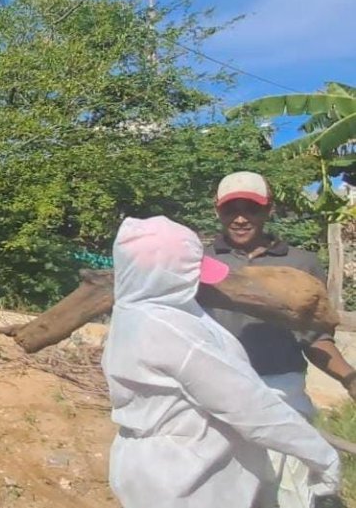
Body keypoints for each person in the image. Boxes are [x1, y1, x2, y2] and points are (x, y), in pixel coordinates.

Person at [103, 215, 339, 508]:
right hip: (191, 478)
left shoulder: (133, 315)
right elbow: (247, 406)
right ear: (167, 275)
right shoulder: (174, 333)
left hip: (149, 469)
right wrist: (321, 456)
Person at [203, 170, 356, 506]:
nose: (241, 218)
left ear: (268, 210)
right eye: (232, 209)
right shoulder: (202, 264)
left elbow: (315, 339)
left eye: (251, 208)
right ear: (218, 211)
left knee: (289, 492)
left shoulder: (300, 264)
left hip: (282, 394)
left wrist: (349, 376)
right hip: (216, 396)